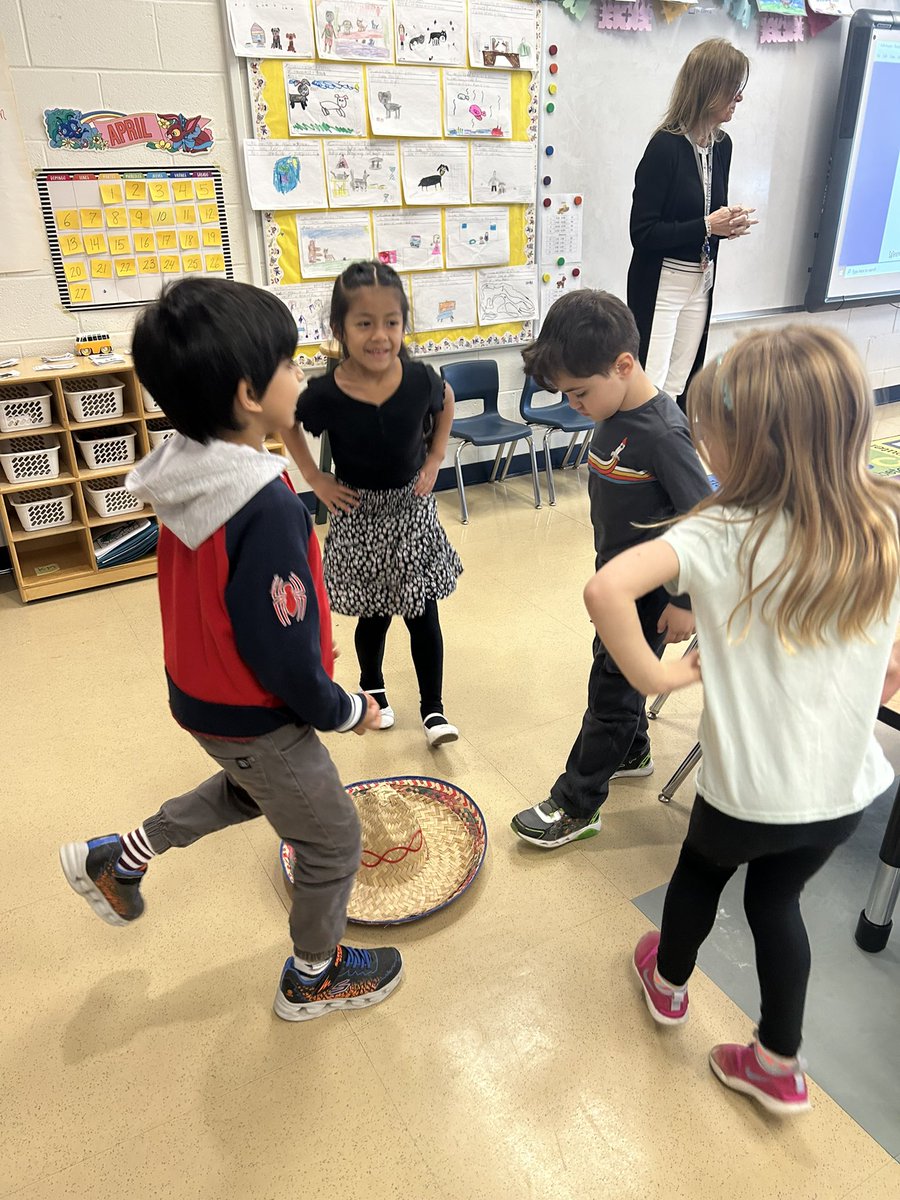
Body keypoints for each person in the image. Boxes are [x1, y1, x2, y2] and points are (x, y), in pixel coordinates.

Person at [59, 278, 403, 1022]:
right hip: (257, 711)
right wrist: (346, 711)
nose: (300, 374)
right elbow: (281, 656)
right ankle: (313, 978)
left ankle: (120, 858)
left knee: (251, 790)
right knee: (332, 840)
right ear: (250, 394)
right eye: (288, 363)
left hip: (203, 694)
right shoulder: (265, 506)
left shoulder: (188, 467)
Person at [585, 325, 900, 1115]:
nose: (701, 447)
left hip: (747, 793)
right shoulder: (880, 521)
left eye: (708, 433)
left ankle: (667, 985)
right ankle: (778, 1064)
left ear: (748, 444)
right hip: (845, 790)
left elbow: (606, 590)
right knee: (775, 905)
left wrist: (657, 675)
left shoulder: (719, 531)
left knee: (700, 876)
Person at [510, 290, 711, 849]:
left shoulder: (663, 434)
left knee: (611, 695)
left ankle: (576, 804)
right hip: (618, 583)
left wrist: (686, 601)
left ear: (623, 365)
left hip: (651, 592)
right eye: (565, 394)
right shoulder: (612, 409)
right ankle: (634, 751)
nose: (573, 404)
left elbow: (705, 521)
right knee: (611, 672)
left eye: (579, 392)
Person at [284, 261, 462, 747]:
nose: (380, 335)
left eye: (391, 322)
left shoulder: (420, 379)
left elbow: (446, 399)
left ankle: (433, 710)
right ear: (339, 328)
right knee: (375, 614)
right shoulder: (325, 393)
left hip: (410, 511)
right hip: (358, 514)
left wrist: (435, 458)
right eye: (364, 323)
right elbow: (287, 420)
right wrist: (314, 477)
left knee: (423, 613)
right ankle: (373, 691)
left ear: (403, 324)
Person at [627, 38, 757, 410]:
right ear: (708, 88)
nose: (739, 98)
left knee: (681, 385)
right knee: (650, 386)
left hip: (701, 280)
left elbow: (708, 216)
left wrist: (727, 225)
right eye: (733, 88)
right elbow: (642, 233)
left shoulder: (722, 145)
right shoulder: (665, 147)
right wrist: (706, 226)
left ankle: (671, 446)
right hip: (663, 283)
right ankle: (642, 447)